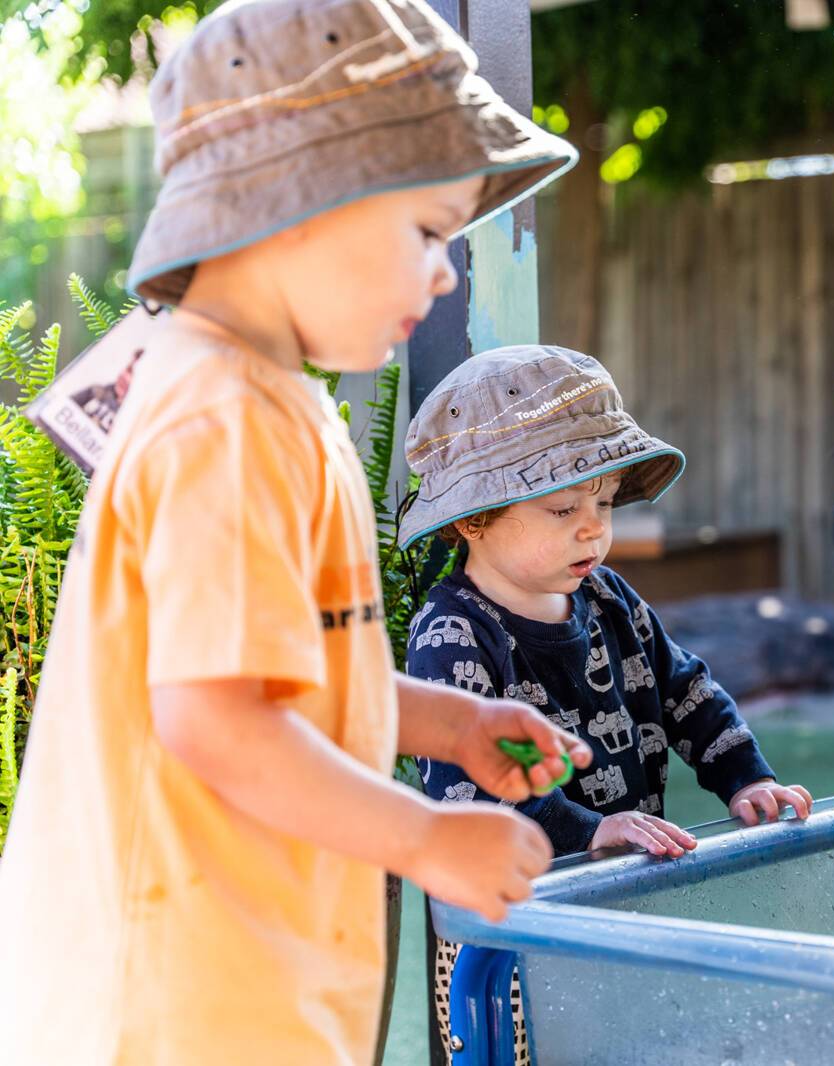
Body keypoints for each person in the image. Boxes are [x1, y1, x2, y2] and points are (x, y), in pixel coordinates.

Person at [0, 2, 590, 1061]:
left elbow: (294, 672)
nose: (448, 270)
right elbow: (216, 720)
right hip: (180, 995)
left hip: (241, 971)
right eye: (426, 231)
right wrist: (426, 837)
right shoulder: (222, 417)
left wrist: (447, 726)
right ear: (302, 201)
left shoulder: (266, 402)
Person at [399, 345, 812, 1057]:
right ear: (473, 521)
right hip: (507, 936)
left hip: (617, 906)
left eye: (604, 502)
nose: (593, 526)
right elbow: (469, 796)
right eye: (563, 507)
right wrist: (586, 829)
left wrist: (748, 779)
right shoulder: (453, 633)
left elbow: (687, 690)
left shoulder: (607, 596)